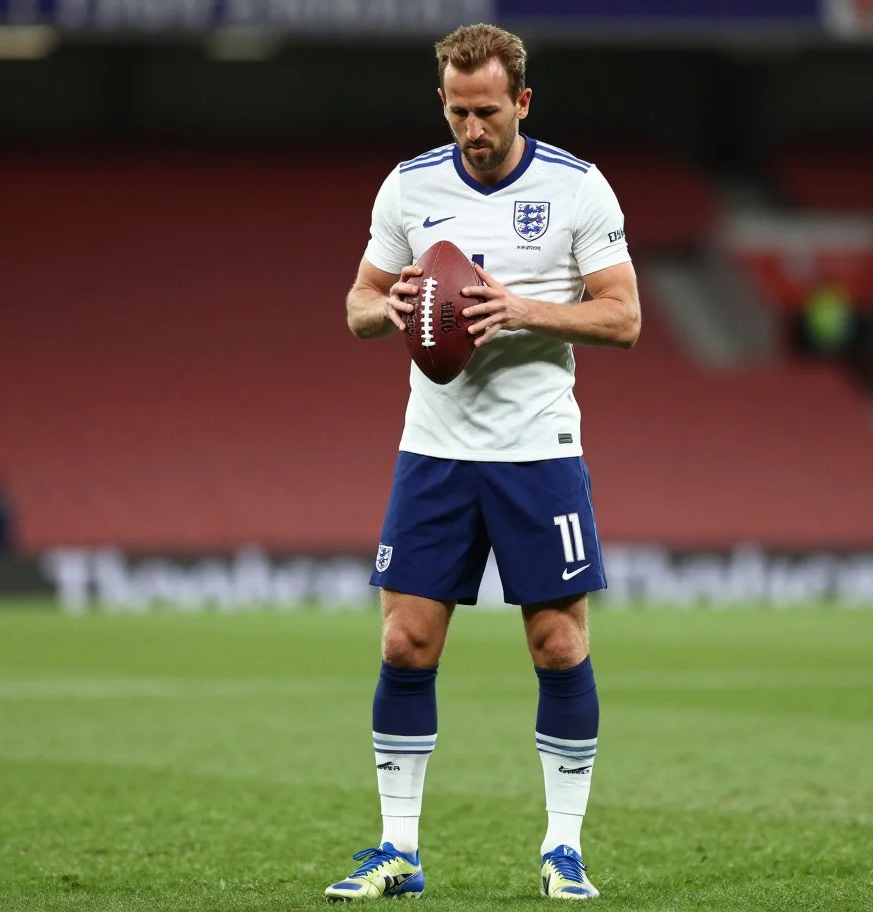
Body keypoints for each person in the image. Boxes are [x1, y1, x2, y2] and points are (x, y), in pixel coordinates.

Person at [329, 22, 640, 902]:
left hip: (538, 451)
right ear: (443, 101)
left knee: (557, 642)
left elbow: (622, 318)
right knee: (405, 639)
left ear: (522, 103)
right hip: (433, 450)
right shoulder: (408, 186)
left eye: (489, 111)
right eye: (459, 110)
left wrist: (521, 308)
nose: (473, 127)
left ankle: (564, 850)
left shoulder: (577, 190)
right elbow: (355, 301)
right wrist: (383, 304)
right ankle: (397, 851)